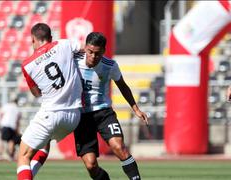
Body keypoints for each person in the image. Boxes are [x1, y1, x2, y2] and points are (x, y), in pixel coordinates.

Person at [73, 32, 149, 180]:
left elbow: (123, 86)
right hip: (81, 117)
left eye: (98, 53)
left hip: (103, 113)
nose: (93, 56)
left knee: (119, 147)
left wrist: (136, 109)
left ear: (104, 51)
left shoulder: (110, 65)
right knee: (91, 165)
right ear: (85, 48)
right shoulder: (73, 60)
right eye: (90, 52)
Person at [16, 23, 83, 180]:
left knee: (23, 156)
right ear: (51, 38)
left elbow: (36, 93)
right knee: (44, 145)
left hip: (51, 113)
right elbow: (86, 49)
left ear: (33, 39)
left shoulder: (27, 64)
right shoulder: (64, 44)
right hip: (73, 117)